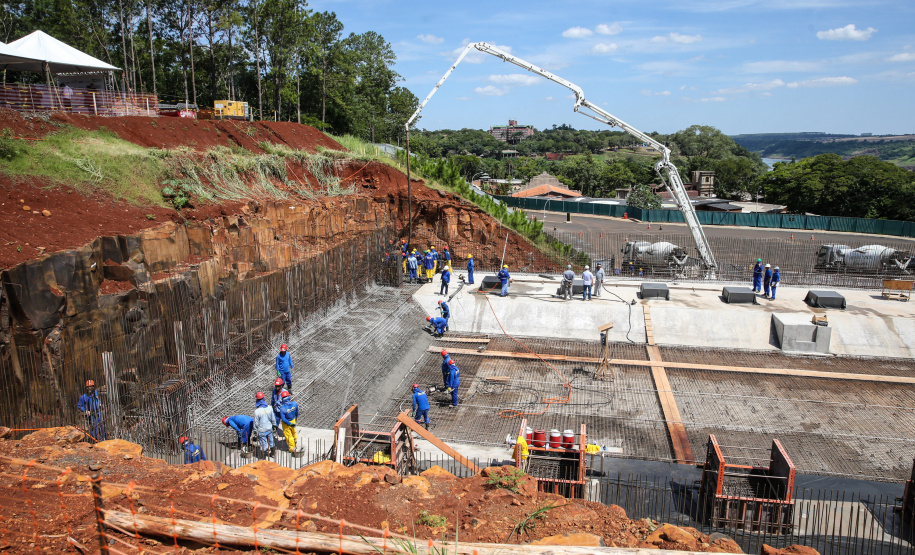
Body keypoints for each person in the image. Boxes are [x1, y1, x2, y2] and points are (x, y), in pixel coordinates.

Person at [253, 391, 277, 456]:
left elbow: (256, 423)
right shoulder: (270, 408)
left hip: (262, 430)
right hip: (269, 428)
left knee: (263, 444)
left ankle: (263, 457)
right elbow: (273, 418)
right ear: (264, 399)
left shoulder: (257, 411)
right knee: (271, 441)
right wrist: (274, 425)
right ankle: (273, 453)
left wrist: (255, 431)